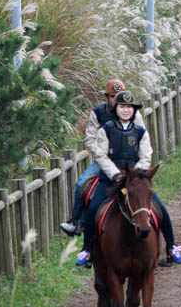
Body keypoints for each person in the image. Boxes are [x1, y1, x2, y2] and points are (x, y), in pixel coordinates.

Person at [75, 90, 181, 267]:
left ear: (134, 110)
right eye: (122, 107)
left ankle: (171, 246)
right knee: (93, 208)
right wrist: (116, 174)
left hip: (135, 180)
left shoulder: (140, 131)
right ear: (115, 109)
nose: (126, 110)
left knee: (160, 210)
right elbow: (101, 156)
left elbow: (146, 155)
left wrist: (135, 176)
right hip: (111, 179)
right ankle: (87, 249)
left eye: (129, 107)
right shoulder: (106, 130)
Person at [60, 79, 144, 237]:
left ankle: (164, 239)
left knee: (145, 190)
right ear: (107, 97)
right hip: (104, 160)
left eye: (119, 95)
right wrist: (102, 154)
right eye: (112, 96)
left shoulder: (133, 113)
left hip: (129, 161)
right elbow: (90, 138)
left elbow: (142, 136)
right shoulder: (98, 113)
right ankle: (78, 222)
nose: (116, 98)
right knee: (80, 184)